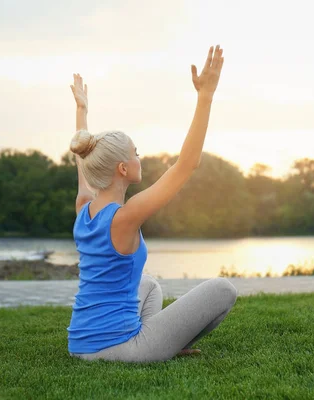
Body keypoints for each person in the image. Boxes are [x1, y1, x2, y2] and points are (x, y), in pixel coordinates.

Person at [66, 45, 237, 363]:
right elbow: (185, 165)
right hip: (117, 349)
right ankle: (160, 346)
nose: (138, 157)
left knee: (148, 285)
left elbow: (83, 158)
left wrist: (82, 111)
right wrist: (205, 96)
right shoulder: (124, 217)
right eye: (135, 153)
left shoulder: (84, 208)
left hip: (80, 344)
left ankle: (160, 340)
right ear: (123, 169)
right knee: (223, 290)